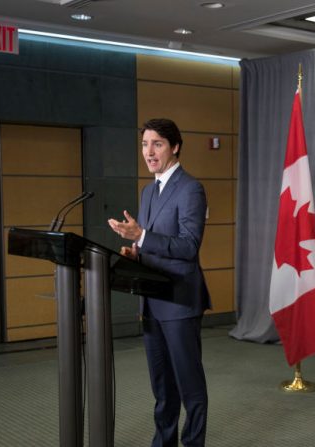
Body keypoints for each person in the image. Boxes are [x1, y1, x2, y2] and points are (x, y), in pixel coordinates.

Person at [108, 118, 210, 447]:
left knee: (190, 386)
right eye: (144, 144)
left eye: (157, 144)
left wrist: (143, 235)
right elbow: (153, 242)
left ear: (175, 146)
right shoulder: (148, 190)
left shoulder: (191, 188)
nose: (149, 152)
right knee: (162, 386)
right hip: (151, 301)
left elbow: (188, 246)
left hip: (179, 300)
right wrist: (136, 250)